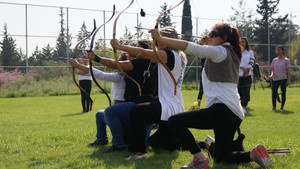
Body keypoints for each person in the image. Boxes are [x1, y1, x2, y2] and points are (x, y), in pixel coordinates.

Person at [150, 23, 273, 168]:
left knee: (174, 121)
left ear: (224, 38)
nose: (209, 36)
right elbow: (205, 53)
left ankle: (199, 158)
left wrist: (161, 39)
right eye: (209, 33)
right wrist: (210, 41)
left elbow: (192, 48)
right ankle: (253, 154)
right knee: (222, 158)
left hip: (222, 110)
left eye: (213, 34)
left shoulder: (220, 51)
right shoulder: (229, 51)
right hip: (234, 113)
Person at [110, 26, 187, 160]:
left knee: (138, 111)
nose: (158, 42)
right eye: (157, 39)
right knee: (164, 143)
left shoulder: (168, 55)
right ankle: (206, 144)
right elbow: (142, 53)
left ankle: (139, 152)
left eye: (162, 38)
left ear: (172, 40)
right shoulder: (179, 56)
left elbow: (143, 53)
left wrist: (120, 46)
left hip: (167, 103)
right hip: (174, 103)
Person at [87, 41, 157, 153]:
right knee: (101, 114)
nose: (134, 50)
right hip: (147, 103)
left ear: (145, 52)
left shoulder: (140, 62)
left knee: (110, 111)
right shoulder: (151, 64)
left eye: (138, 48)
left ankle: (119, 145)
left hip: (138, 104)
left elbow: (116, 65)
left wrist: (96, 58)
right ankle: (103, 139)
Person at [70, 54, 127, 146]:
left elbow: (101, 75)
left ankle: (117, 141)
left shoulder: (120, 76)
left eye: (118, 62)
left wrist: (78, 65)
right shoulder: (121, 75)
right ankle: (102, 139)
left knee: (106, 113)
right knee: (99, 114)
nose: (115, 63)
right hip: (118, 109)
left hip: (118, 111)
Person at [269, 46, 291, 111]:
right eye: (277, 50)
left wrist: (288, 80)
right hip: (275, 79)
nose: (278, 52)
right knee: (274, 92)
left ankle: (282, 107)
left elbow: (288, 71)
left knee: (283, 92)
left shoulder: (286, 60)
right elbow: (272, 70)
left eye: (279, 50)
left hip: (283, 78)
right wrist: (271, 75)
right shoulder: (274, 60)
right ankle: (274, 107)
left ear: (282, 51)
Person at [238, 37, 255, 113]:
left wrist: (246, 70)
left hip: (247, 75)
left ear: (246, 43)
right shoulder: (236, 52)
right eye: (240, 42)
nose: (241, 43)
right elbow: (235, 63)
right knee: (239, 92)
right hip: (238, 75)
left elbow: (251, 62)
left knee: (246, 92)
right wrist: (242, 68)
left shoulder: (250, 52)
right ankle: (238, 106)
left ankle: (243, 107)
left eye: (243, 42)